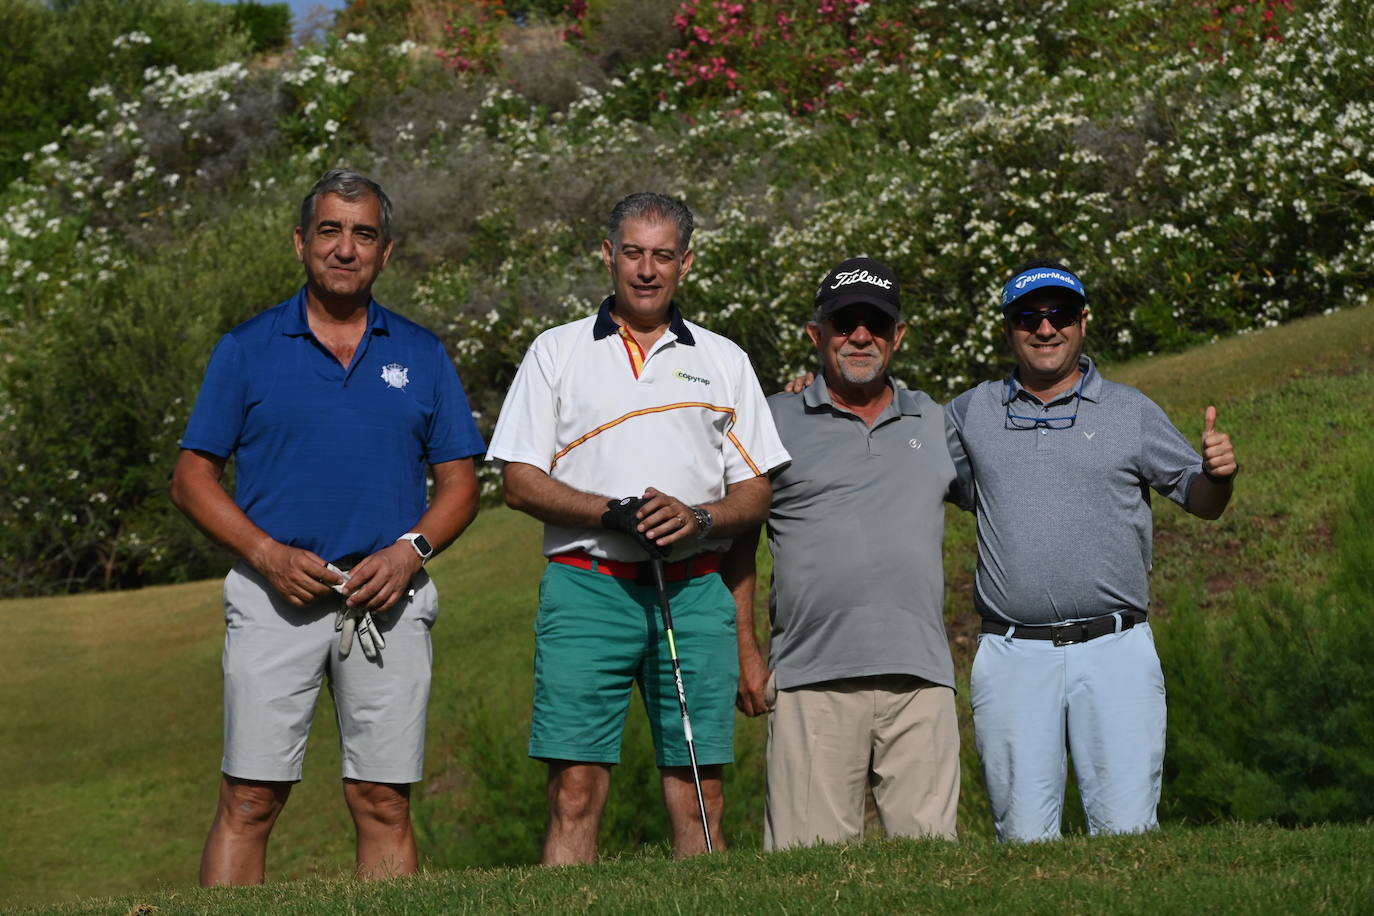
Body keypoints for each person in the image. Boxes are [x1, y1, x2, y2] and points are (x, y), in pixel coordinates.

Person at [170, 169, 485, 885]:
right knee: (250, 798)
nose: (346, 249)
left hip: (388, 601)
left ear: (386, 252)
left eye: (364, 234)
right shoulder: (246, 349)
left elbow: (461, 485)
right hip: (273, 595)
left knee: (383, 801)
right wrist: (265, 553)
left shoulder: (422, 352)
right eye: (330, 231)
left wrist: (410, 554)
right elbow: (191, 478)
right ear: (301, 243)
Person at [485, 191, 790, 864]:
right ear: (607, 256)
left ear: (686, 262)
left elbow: (756, 491)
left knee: (700, 794)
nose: (646, 270)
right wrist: (609, 512)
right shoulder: (556, 352)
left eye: (662, 256)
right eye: (632, 253)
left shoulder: (723, 359)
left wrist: (700, 517)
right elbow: (519, 482)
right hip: (588, 585)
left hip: (692, 587)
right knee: (574, 789)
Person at [945, 258, 1238, 842]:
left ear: (1084, 321)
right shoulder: (969, 412)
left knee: (1128, 835)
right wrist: (814, 386)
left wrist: (1219, 474)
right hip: (1011, 654)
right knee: (1023, 840)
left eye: (1059, 315)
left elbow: (1201, 500)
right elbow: (893, 442)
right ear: (1008, 329)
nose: (1045, 328)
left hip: (1116, 650)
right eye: (1028, 316)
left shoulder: (1130, 410)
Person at [732, 256, 966, 850]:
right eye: (844, 323)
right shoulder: (771, 420)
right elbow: (735, 547)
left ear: (898, 336)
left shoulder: (937, 422)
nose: (861, 336)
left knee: (932, 876)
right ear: (817, 335)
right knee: (807, 880)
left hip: (921, 682)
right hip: (812, 680)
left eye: (876, 323)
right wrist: (747, 655)